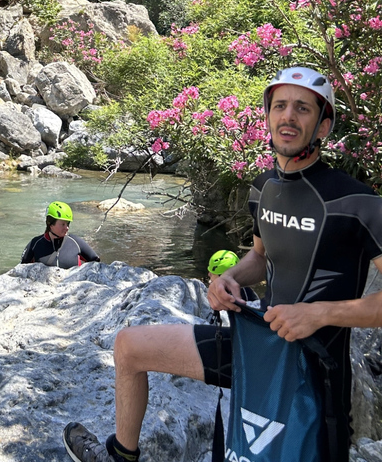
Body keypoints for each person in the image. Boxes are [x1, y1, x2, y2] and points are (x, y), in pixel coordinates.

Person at [62, 66, 382, 462]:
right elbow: (260, 258)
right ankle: (119, 455)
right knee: (129, 347)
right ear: (267, 117)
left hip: (316, 373)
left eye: (302, 108)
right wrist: (227, 279)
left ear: (323, 126)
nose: (288, 116)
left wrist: (317, 314)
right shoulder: (263, 189)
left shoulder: (358, 203)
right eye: (279, 106)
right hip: (259, 346)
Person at [21, 201, 100, 269]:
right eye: (63, 224)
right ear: (50, 223)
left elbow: (96, 262)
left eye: (68, 223)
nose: (67, 227)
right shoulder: (35, 244)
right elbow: (21, 269)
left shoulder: (76, 242)